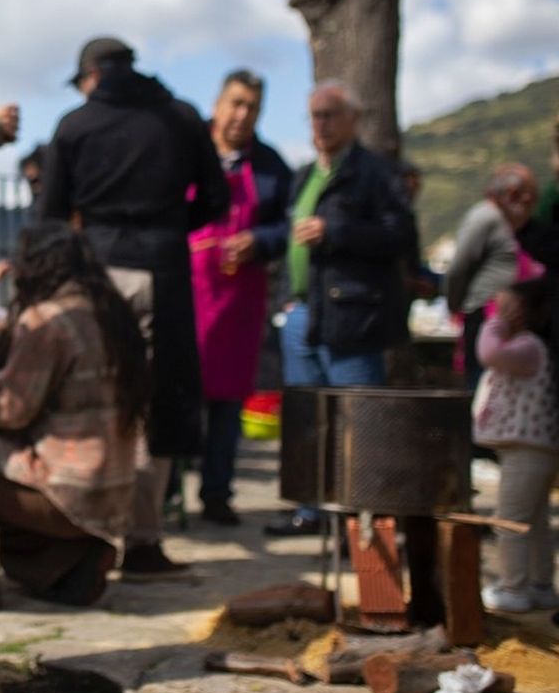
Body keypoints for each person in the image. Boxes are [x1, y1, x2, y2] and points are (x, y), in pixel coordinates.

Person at [38, 36, 229, 576]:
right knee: (157, 406)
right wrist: (168, 230)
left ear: (92, 74)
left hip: (97, 272)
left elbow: (50, 215)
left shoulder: (74, 125)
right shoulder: (181, 117)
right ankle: (143, 541)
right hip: (164, 269)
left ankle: (91, 540)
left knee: (94, 401)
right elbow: (216, 200)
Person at [263, 81, 413, 537]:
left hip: (354, 316)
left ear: (353, 119)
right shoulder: (306, 174)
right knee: (308, 419)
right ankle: (311, 511)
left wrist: (336, 230)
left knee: (359, 418)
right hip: (302, 314)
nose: (320, 124)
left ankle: (360, 518)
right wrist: (288, 300)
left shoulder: (377, 174)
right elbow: (289, 237)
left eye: (329, 114)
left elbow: (400, 236)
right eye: (314, 115)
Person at [0, 221, 145, 605]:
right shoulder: (111, 311)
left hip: (67, 493)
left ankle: (64, 560)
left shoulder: (47, 319)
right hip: (116, 489)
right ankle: (70, 561)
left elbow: (10, 411)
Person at [188, 69, 291, 526]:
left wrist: (260, 240)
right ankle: (168, 496)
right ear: (217, 104)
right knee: (179, 397)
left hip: (239, 300)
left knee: (228, 402)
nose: (242, 114)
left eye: (252, 107)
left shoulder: (271, 166)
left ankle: (216, 494)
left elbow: (288, 226)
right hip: (188, 290)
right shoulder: (188, 151)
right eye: (236, 103)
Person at [471, 278, 559, 613]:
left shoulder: (527, 347)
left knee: (509, 522)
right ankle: (541, 586)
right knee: (533, 523)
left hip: (527, 450)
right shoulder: (533, 347)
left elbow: (488, 352)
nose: (495, 314)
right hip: (534, 450)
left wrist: (496, 322)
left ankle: (514, 588)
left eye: (502, 307)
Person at [445, 164, 534, 393]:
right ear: (511, 194)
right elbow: (459, 267)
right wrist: (454, 305)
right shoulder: (485, 217)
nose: (529, 203)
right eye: (527, 196)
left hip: (506, 316)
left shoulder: (509, 221)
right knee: (485, 388)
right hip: (486, 316)